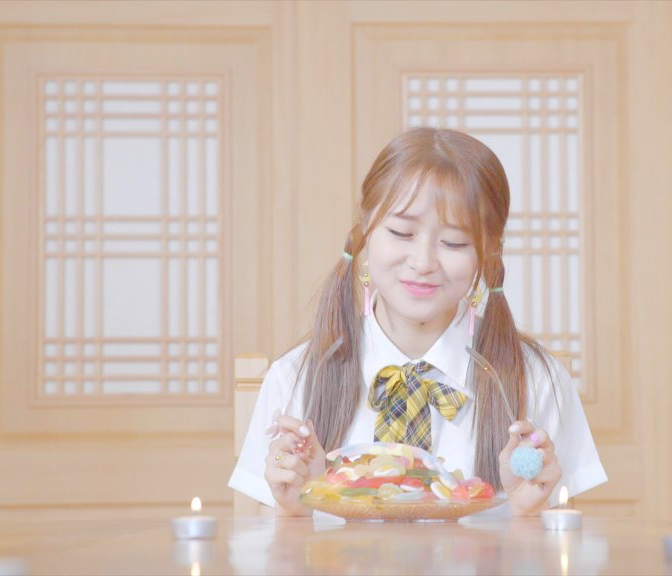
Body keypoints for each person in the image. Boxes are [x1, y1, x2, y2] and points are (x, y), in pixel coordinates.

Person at [229, 127, 606, 516]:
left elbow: (566, 542)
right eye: (401, 232)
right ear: (364, 232)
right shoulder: (294, 378)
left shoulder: (537, 380)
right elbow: (261, 545)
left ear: (488, 253)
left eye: (454, 242)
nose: (423, 262)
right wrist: (296, 510)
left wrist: (526, 514)